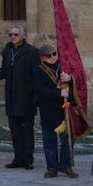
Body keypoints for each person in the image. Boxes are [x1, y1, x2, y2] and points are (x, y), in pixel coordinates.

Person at [0, 25, 39, 169]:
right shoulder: (7, 51)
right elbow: (5, 70)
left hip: (26, 98)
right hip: (12, 98)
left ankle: (28, 159)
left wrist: (35, 99)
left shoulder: (31, 52)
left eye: (16, 34)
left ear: (23, 36)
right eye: (11, 34)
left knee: (27, 131)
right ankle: (18, 158)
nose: (12, 37)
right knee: (15, 131)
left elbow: (36, 76)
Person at [33, 44, 77, 178]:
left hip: (64, 110)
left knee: (67, 140)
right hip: (48, 110)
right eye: (48, 55)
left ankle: (65, 165)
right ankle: (52, 167)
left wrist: (69, 79)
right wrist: (59, 93)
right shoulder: (38, 71)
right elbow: (40, 91)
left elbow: (77, 82)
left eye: (54, 54)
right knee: (49, 140)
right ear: (42, 58)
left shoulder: (63, 68)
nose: (52, 57)